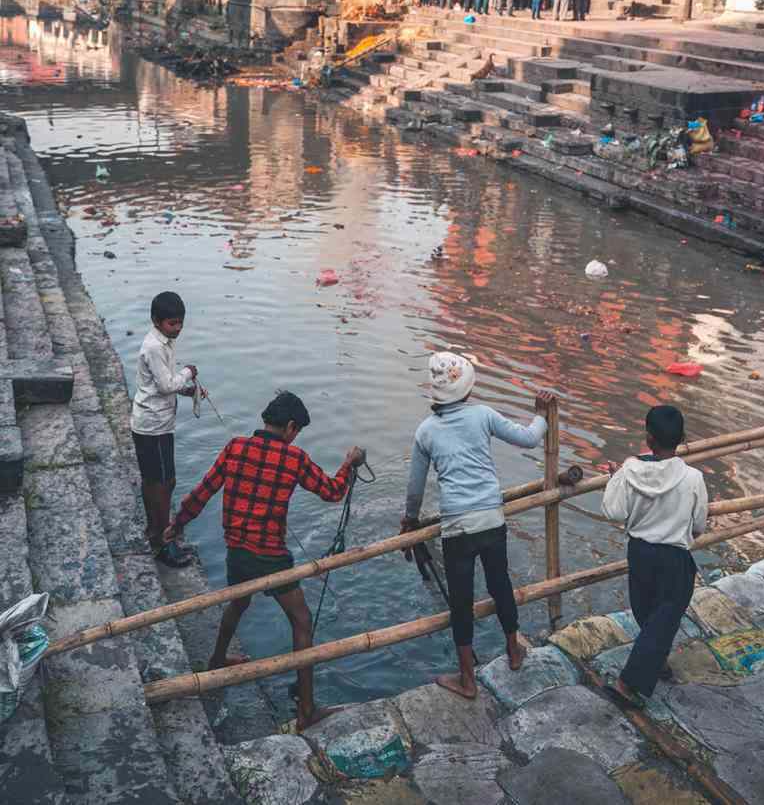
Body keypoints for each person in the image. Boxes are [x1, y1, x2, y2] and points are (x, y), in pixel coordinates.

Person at [164, 390, 364, 731]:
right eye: (296, 431)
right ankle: (307, 710)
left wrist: (177, 524)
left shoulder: (235, 447)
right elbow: (332, 492)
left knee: (238, 602)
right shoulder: (293, 458)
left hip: (237, 550)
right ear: (289, 427)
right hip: (271, 557)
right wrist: (349, 463)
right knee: (302, 622)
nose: (295, 437)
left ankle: (216, 662)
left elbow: (203, 491)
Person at [402, 352, 552, 700]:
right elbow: (529, 438)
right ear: (467, 389)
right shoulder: (482, 415)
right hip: (491, 519)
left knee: (461, 601)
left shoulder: (426, 431)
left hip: (457, 526)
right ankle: (514, 649)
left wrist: (409, 520)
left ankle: (468, 680)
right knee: (500, 584)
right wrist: (541, 414)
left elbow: (415, 489)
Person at [601, 405, 708, 708]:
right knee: (666, 614)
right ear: (681, 438)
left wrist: (615, 479)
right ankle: (628, 683)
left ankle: (655, 661)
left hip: (639, 552)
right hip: (673, 556)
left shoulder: (628, 470)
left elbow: (614, 510)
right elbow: (699, 524)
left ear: (648, 438)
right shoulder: (693, 478)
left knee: (647, 610)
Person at [130, 291, 200, 567]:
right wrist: (188, 374)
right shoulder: (155, 347)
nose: (178, 328)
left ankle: (156, 530)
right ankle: (161, 541)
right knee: (160, 483)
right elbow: (166, 385)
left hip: (158, 422)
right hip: (153, 426)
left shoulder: (164, 341)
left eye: (181, 322)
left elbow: (163, 383)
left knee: (159, 481)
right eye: (173, 323)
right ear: (157, 321)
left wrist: (186, 389)